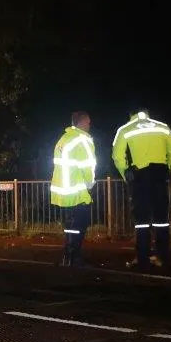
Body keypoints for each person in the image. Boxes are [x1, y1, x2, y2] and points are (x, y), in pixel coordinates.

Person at [112, 109, 171, 270]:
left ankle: (142, 257)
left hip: (139, 177)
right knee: (162, 219)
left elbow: (117, 155)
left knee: (141, 220)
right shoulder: (163, 127)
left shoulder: (125, 129)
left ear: (131, 115)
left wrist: (126, 174)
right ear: (148, 113)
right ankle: (162, 257)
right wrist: (168, 169)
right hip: (159, 175)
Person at [49, 111, 98, 267]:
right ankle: (74, 257)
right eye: (88, 122)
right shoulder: (83, 139)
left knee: (71, 225)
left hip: (63, 191)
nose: (90, 125)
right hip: (77, 190)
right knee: (80, 224)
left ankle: (68, 256)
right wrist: (90, 184)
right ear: (82, 123)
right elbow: (87, 166)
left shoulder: (63, 139)